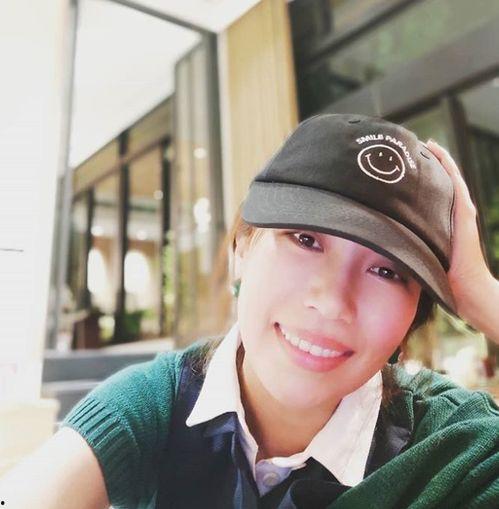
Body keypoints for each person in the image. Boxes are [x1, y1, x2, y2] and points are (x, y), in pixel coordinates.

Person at [2, 114, 499, 509]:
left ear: (414, 313)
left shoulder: (454, 448)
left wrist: (480, 293)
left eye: (387, 271)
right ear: (243, 248)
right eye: (305, 239)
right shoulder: (152, 406)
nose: (331, 301)